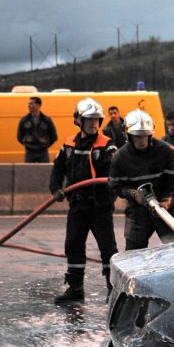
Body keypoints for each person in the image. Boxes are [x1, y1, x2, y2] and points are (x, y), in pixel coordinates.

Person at [49, 97, 119, 303]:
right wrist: (56, 189)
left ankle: (113, 289)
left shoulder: (106, 144)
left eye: (97, 119)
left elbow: (114, 175)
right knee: (73, 245)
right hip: (78, 204)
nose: (94, 123)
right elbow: (58, 168)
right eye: (89, 119)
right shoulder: (69, 143)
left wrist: (107, 198)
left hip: (100, 206)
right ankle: (75, 289)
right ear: (78, 120)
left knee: (108, 249)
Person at [108, 108, 174, 250]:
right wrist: (133, 194)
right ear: (127, 134)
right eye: (137, 136)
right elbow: (115, 186)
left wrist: (167, 201)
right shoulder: (120, 157)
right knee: (133, 253)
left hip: (166, 210)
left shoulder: (167, 151)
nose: (142, 141)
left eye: (145, 135)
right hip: (138, 210)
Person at [16, 96, 58, 163]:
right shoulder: (24, 120)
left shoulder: (46, 120)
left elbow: (54, 136)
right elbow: (19, 136)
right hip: (30, 152)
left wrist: (45, 144)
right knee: (28, 171)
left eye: (31, 104)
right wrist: (27, 143)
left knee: (44, 171)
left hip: (43, 152)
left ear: (38, 105)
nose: (29, 106)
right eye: (29, 104)